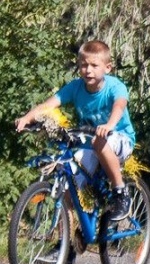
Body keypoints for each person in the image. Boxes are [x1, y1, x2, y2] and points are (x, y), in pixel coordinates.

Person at [16, 40, 136, 222]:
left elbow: (119, 106)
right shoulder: (75, 87)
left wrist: (109, 125)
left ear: (108, 67)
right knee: (68, 180)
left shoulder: (115, 87)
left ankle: (120, 191)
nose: (88, 70)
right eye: (84, 65)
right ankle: (69, 240)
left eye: (94, 65)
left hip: (119, 139)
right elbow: (48, 105)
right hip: (90, 144)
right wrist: (27, 118)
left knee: (98, 141)